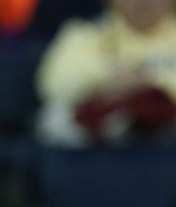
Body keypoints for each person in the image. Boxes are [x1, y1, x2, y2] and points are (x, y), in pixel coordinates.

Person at [35, 0, 176, 147]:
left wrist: (146, 85)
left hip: (169, 144)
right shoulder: (86, 33)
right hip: (100, 145)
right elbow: (55, 84)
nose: (144, 2)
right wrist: (107, 84)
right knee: (57, 117)